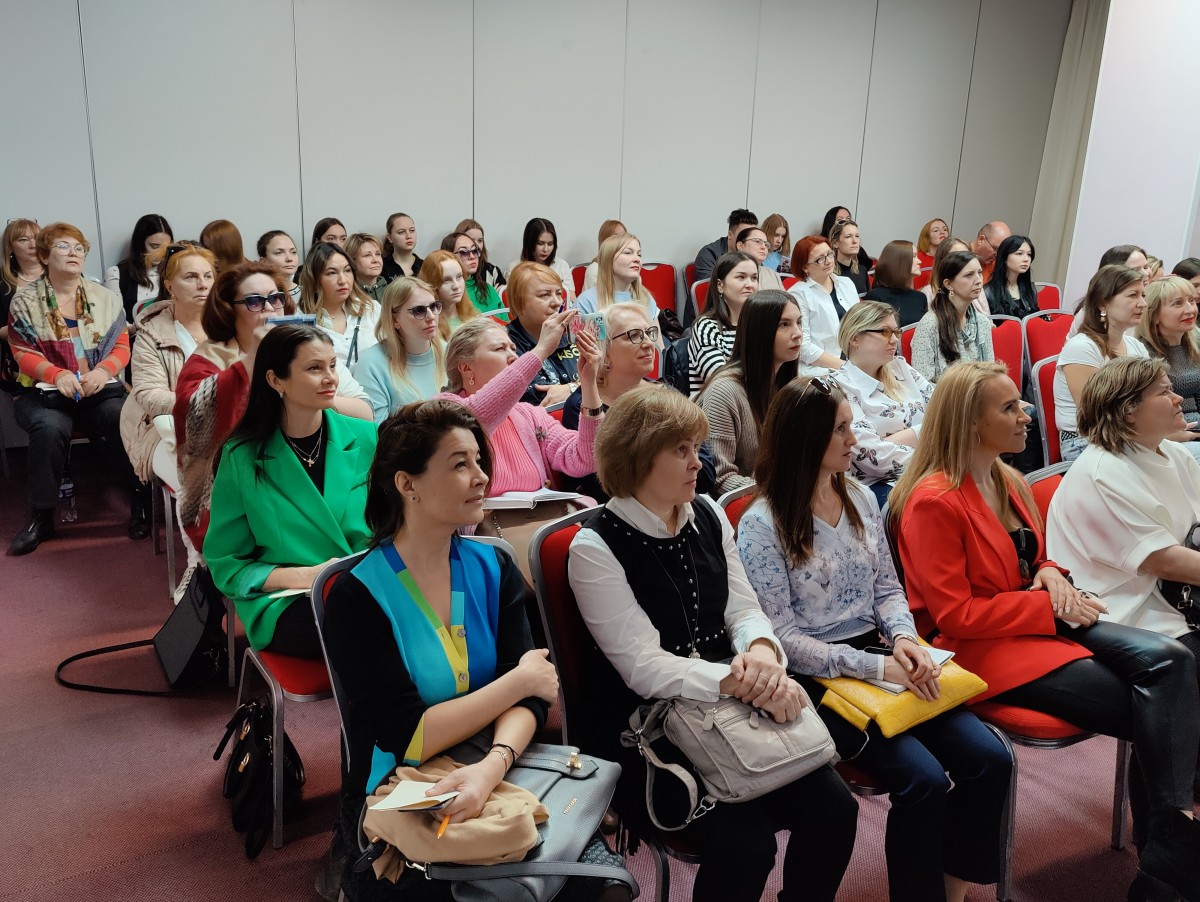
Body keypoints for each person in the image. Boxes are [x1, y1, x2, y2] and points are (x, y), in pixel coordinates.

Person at [890, 360, 1200, 902]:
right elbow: (956, 616)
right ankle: (1169, 856)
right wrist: (1047, 606)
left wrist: (1052, 575)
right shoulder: (932, 500)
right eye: (1009, 406)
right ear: (970, 423)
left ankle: (1168, 846)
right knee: (1156, 707)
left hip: (1038, 623)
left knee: (1174, 663)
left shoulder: (1006, 479)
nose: (1027, 413)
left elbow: (1035, 557)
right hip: (979, 648)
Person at [323, 400, 627, 902]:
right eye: (460, 464)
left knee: (602, 889)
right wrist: (516, 682)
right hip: (404, 788)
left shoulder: (493, 566)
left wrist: (492, 767)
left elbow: (533, 701)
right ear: (407, 484)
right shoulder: (358, 596)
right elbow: (410, 735)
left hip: (498, 763)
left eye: (479, 461)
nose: (482, 477)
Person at [568, 385, 858, 902]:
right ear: (637, 458)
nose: (697, 462)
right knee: (747, 847)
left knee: (836, 811)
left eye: (697, 447)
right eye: (680, 449)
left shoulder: (707, 511)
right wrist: (743, 681)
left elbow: (743, 609)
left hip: (730, 703)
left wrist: (763, 656)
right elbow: (643, 667)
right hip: (646, 728)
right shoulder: (594, 546)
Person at [738, 376, 1010, 902]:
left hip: (884, 654)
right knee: (924, 780)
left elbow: (887, 590)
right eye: (841, 429)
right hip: (816, 676)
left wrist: (905, 638)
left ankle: (950, 887)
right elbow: (782, 637)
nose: (854, 439)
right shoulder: (761, 524)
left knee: (990, 759)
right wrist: (877, 667)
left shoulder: (861, 497)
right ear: (805, 439)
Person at [206, 324, 375, 657]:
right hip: (289, 599)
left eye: (332, 366)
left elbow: (395, 527)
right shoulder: (241, 457)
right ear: (275, 380)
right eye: (314, 368)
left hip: (369, 584)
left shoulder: (367, 438)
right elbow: (227, 565)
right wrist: (300, 576)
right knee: (362, 630)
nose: (330, 378)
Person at [174, 261, 371, 543]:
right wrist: (253, 358)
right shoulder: (210, 359)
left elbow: (364, 412)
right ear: (229, 311)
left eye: (276, 298)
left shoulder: (303, 348)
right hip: (248, 480)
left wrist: (315, 397)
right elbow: (196, 417)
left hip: (311, 460)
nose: (269, 308)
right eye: (254, 302)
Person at [1047, 358, 1200, 692]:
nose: (1178, 399)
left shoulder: (1172, 453)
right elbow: (1163, 561)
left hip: (1175, 594)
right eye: (1165, 392)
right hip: (1128, 612)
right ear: (1129, 410)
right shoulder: (1102, 473)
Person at [6, 222, 145, 554]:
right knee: (49, 427)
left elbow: (121, 346)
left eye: (79, 248)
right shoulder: (24, 301)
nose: (73, 253)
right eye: (63, 246)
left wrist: (103, 371)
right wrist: (57, 375)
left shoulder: (105, 298)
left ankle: (141, 500)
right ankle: (42, 516)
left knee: (121, 416)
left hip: (97, 388)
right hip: (43, 393)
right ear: (44, 256)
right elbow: (22, 351)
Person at [439, 313, 602, 576]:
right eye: (499, 349)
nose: (513, 356)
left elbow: (584, 459)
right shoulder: (445, 409)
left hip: (543, 528)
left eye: (514, 348)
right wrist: (540, 350)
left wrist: (589, 384)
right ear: (466, 368)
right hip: (483, 542)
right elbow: (474, 420)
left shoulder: (529, 413)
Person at [561, 304, 718, 501]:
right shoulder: (582, 406)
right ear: (605, 350)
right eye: (634, 335)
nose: (648, 343)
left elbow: (705, 472)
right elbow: (603, 486)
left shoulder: (666, 393)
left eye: (649, 333)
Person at [119, 243, 215, 494]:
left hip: (226, 426)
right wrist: (207, 405)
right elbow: (149, 394)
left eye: (208, 276)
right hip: (163, 428)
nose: (203, 284)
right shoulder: (152, 331)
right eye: (191, 277)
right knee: (199, 485)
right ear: (170, 286)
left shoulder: (231, 325)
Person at [696, 289, 804, 495]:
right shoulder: (724, 391)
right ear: (759, 331)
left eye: (799, 322)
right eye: (784, 324)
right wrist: (777, 495)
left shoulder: (789, 385)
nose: (798, 333)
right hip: (748, 501)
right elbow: (720, 478)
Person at [833, 301, 934, 505]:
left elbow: (946, 412)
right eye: (885, 332)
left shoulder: (901, 368)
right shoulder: (840, 386)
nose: (895, 339)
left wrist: (895, 439)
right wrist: (932, 439)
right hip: (879, 487)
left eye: (896, 332)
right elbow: (874, 458)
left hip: (928, 469)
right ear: (855, 338)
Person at [1053, 264, 1149, 461]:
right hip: (1085, 442)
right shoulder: (1082, 347)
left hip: (1128, 435)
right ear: (1103, 304)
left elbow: (1149, 397)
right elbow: (1094, 413)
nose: (1143, 304)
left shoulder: (1135, 346)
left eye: (1143, 296)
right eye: (1133, 295)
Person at [353, 276, 446, 423]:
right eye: (418, 310)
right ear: (395, 320)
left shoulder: (449, 351)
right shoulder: (371, 364)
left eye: (434, 306)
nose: (431, 317)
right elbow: (377, 430)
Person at [1135, 275, 1200, 456]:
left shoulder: (1196, 341)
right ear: (1154, 315)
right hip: (1166, 436)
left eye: (1191, 301)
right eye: (1177, 304)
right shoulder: (1142, 353)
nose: (1190, 309)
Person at [910, 251, 994, 383]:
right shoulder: (930, 324)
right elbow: (923, 384)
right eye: (969, 275)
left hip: (980, 390)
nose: (978, 280)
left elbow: (991, 372)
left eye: (979, 273)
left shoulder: (982, 322)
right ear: (948, 284)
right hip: (945, 395)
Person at [299, 241, 381, 370]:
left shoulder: (371, 308)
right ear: (314, 280)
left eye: (347, 270)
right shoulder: (301, 320)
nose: (343, 280)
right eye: (331, 273)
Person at [505, 262, 577, 406]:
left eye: (558, 293)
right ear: (519, 301)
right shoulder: (506, 345)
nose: (557, 302)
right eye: (545, 295)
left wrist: (572, 388)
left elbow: (607, 379)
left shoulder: (571, 334)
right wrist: (584, 385)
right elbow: (541, 398)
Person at [688, 252, 758, 396]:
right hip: (716, 404)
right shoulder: (707, 327)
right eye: (741, 277)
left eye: (754, 278)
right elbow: (721, 381)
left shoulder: (759, 325)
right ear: (720, 285)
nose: (750, 285)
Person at [787, 235, 857, 370]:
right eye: (820, 259)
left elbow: (861, 326)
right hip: (820, 368)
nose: (829, 261)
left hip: (854, 360)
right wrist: (846, 367)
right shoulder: (797, 294)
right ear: (805, 267)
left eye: (830, 254)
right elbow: (803, 346)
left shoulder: (846, 283)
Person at [1, 218, 44, 392]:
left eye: (37, 238)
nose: (33, 245)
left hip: (69, 360)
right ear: (10, 247)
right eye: (23, 240)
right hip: (21, 365)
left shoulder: (62, 272)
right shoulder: (2, 282)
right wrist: (24, 328)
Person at [104, 213, 173, 322]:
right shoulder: (117, 273)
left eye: (165, 247)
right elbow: (116, 318)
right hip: (134, 331)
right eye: (154, 246)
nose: (160, 252)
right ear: (140, 243)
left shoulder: (173, 271)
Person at [574, 233, 658, 321]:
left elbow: (656, 330)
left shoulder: (646, 299)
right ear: (608, 259)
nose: (637, 259)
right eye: (628, 253)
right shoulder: (586, 302)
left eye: (639, 254)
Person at [507, 218, 574, 301]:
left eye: (550, 244)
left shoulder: (562, 265)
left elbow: (571, 300)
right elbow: (513, 303)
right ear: (529, 243)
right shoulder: (515, 268)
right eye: (540, 243)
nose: (546, 249)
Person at [864, 239, 928, 326]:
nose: (919, 261)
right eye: (914, 256)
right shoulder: (876, 297)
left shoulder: (920, 297)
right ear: (899, 261)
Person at [418, 249, 476, 339]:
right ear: (432, 284)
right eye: (446, 280)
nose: (456, 286)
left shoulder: (473, 317)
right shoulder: (428, 327)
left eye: (459, 276)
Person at [440, 232, 503, 314]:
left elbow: (506, 320)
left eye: (474, 250)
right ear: (449, 256)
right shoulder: (448, 294)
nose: (472, 257)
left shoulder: (488, 289)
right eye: (463, 252)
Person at [694, 208, 757, 283]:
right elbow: (710, 287)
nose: (748, 240)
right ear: (730, 234)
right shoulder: (709, 253)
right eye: (743, 235)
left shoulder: (753, 252)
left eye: (753, 236)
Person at [983, 235, 1039, 319]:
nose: (1026, 259)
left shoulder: (1030, 288)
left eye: (1029, 254)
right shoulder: (987, 292)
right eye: (1019, 253)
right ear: (1005, 258)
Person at [453, 218, 505, 288]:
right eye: (471, 240)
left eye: (480, 240)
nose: (476, 245)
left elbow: (503, 292)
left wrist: (493, 293)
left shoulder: (492, 271)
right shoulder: (452, 272)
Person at [920, 237, 972, 305]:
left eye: (967, 256)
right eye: (957, 257)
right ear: (942, 261)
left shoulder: (975, 287)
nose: (963, 262)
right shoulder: (928, 294)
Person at [821, 205, 873, 273]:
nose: (845, 222)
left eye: (848, 219)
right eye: (840, 220)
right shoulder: (821, 248)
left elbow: (867, 265)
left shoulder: (861, 269)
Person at [256, 230, 302, 305]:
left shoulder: (309, 295)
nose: (289, 258)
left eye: (293, 252)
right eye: (279, 253)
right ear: (263, 261)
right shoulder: (256, 297)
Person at [582, 219, 626, 291]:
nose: (622, 240)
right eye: (616, 236)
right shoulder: (594, 269)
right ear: (605, 240)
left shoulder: (628, 266)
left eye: (624, 236)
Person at [346, 232, 388, 303]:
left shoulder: (393, 291)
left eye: (378, 254)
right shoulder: (346, 294)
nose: (375, 260)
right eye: (367, 255)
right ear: (352, 260)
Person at [830, 219, 869, 296]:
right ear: (835, 243)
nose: (855, 241)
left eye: (857, 236)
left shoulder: (862, 270)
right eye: (848, 236)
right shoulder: (829, 274)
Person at [380, 212, 422, 281]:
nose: (409, 236)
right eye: (401, 232)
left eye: (412, 230)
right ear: (390, 237)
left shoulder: (426, 266)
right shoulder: (380, 267)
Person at [914, 218, 949, 291]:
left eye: (945, 229)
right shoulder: (915, 258)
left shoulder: (950, 258)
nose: (942, 232)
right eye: (936, 230)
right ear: (927, 237)